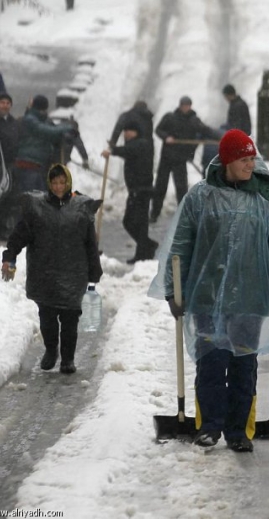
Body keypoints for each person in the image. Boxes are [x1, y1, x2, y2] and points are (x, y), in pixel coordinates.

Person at [148, 129, 269, 452]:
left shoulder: (264, 200)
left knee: (243, 366)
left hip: (250, 299)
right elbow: (180, 246)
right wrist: (173, 289)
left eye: (253, 158)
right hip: (207, 296)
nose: (251, 164)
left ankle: (238, 430)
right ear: (227, 160)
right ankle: (209, 425)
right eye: (244, 159)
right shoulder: (200, 197)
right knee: (210, 362)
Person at [1, 163, 103, 374]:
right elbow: (19, 236)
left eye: (62, 182)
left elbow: (90, 244)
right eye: (55, 182)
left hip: (73, 273)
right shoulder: (36, 208)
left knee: (69, 319)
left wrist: (95, 270)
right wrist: (9, 257)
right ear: (49, 183)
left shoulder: (81, 208)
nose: (58, 187)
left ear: (68, 183)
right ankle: (50, 350)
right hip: (44, 273)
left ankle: (67, 358)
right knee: (47, 317)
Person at [7, 95, 74, 232]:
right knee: (30, 202)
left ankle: (35, 233)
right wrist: (66, 128)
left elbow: (52, 132)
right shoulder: (30, 120)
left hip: (38, 168)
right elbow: (47, 132)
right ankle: (24, 233)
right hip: (27, 166)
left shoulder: (40, 120)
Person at [150, 96, 218, 223]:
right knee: (160, 187)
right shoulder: (170, 117)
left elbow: (206, 130)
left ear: (190, 106)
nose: (185, 107)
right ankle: (154, 214)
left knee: (181, 188)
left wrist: (222, 137)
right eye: (183, 105)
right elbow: (158, 129)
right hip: (166, 158)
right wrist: (166, 137)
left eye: (187, 105)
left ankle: (184, 215)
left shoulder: (194, 121)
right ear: (180, 106)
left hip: (180, 159)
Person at [101, 119, 158, 264]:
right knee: (139, 224)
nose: (125, 134)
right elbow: (128, 150)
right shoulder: (136, 144)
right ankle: (144, 251)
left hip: (141, 190)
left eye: (128, 131)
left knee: (130, 222)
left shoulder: (142, 144)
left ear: (135, 132)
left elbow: (129, 150)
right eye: (125, 131)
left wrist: (113, 151)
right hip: (136, 190)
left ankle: (146, 247)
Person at [0, 91, 19, 239]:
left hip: (10, 165)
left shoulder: (14, 123)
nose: (5, 106)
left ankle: (3, 228)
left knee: (8, 197)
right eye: (2, 103)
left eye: (7, 103)